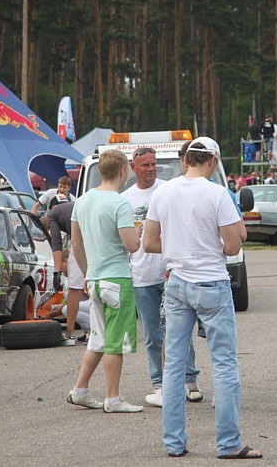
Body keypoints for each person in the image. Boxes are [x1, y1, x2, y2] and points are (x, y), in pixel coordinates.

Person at [143, 137, 262, 459]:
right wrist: (214, 243)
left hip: (177, 283)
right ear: (212, 160)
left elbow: (150, 243)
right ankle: (228, 443)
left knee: (175, 366)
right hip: (212, 283)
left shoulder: (163, 192)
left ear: (187, 160)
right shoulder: (217, 194)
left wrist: (179, 247)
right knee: (223, 365)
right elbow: (234, 247)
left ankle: (174, 443)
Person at [121, 146, 202, 408]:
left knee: (179, 331)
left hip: (172, 272)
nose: (151, 169)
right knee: (154, 334)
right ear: (133, 168)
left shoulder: (170, 190)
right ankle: (159, 382)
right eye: (145, 165)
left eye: (154, 164)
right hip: (142, 275)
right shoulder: (126, 199)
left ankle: (189, 380)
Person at [67, 149, 143, 414]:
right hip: (117, 278)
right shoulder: (120, 204)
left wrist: (88, 272)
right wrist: (139, 231)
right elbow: (131, 244)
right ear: (122, 171)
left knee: (98, 339)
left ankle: (81, 389)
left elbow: (76, 242)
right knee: (115, 342)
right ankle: (113, 398)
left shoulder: (83, 201)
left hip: (95, 278)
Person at [46, 201, 84, 345]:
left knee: (74, 287)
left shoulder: (51, 215)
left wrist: (56, 272)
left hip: (80, 239)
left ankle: (69, 335)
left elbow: (56, 243)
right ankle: (98, 331)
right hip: (96, 236)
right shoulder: (72, 205)